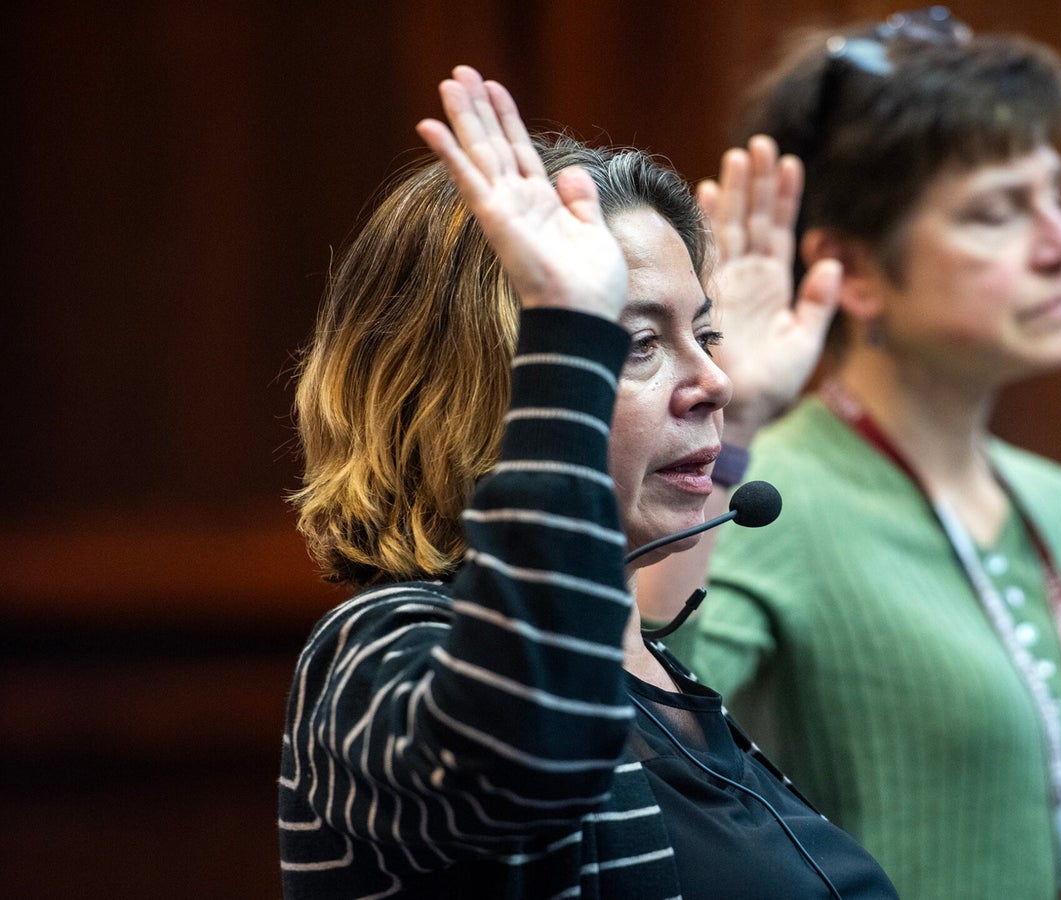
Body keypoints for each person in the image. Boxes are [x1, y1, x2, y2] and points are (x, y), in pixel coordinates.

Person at [278, 64, 897, 899]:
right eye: (634, 343)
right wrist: (572, 325)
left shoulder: (658, 675)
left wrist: (735, 421)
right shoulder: (377, 651)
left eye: (704, 333)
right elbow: (528, 756)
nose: (713, 377)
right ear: (492, 385)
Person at [646, 8, 1061, 899]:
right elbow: (643, 744)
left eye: (1056, 196)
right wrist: (742, 418)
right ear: (854, 270)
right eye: (999, 213)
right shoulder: (758, 497)